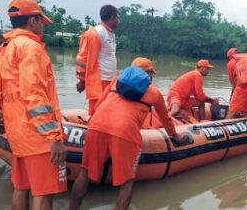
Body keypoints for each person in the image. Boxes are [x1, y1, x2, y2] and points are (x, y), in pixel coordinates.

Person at [69, 57, 187, 210]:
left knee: (84, 173)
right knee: (127, 182)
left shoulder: (116, 81)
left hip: (97, 126)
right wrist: (175, 136)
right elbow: (166, 120)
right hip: (124, 133)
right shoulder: (154, 93)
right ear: (149, 73)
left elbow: (98, 105)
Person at [0, 0, 66, 210]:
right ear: (33, 21)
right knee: (44, 194)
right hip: (38, 137)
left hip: (17, 135)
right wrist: (53, 136)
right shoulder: (31, 48)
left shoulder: (5, 48)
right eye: (41, 22)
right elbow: (34, 95)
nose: (42, 27)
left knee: (21, 188)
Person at [75, 5, 119, 115]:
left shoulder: (110, 34)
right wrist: (82, 80)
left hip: (110, 80)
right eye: (118, 18)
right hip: (99, 80)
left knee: (107, 112)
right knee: (97, 112)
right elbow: (83, 57)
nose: (119, 21)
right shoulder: (96, 33)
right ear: (112, 17)